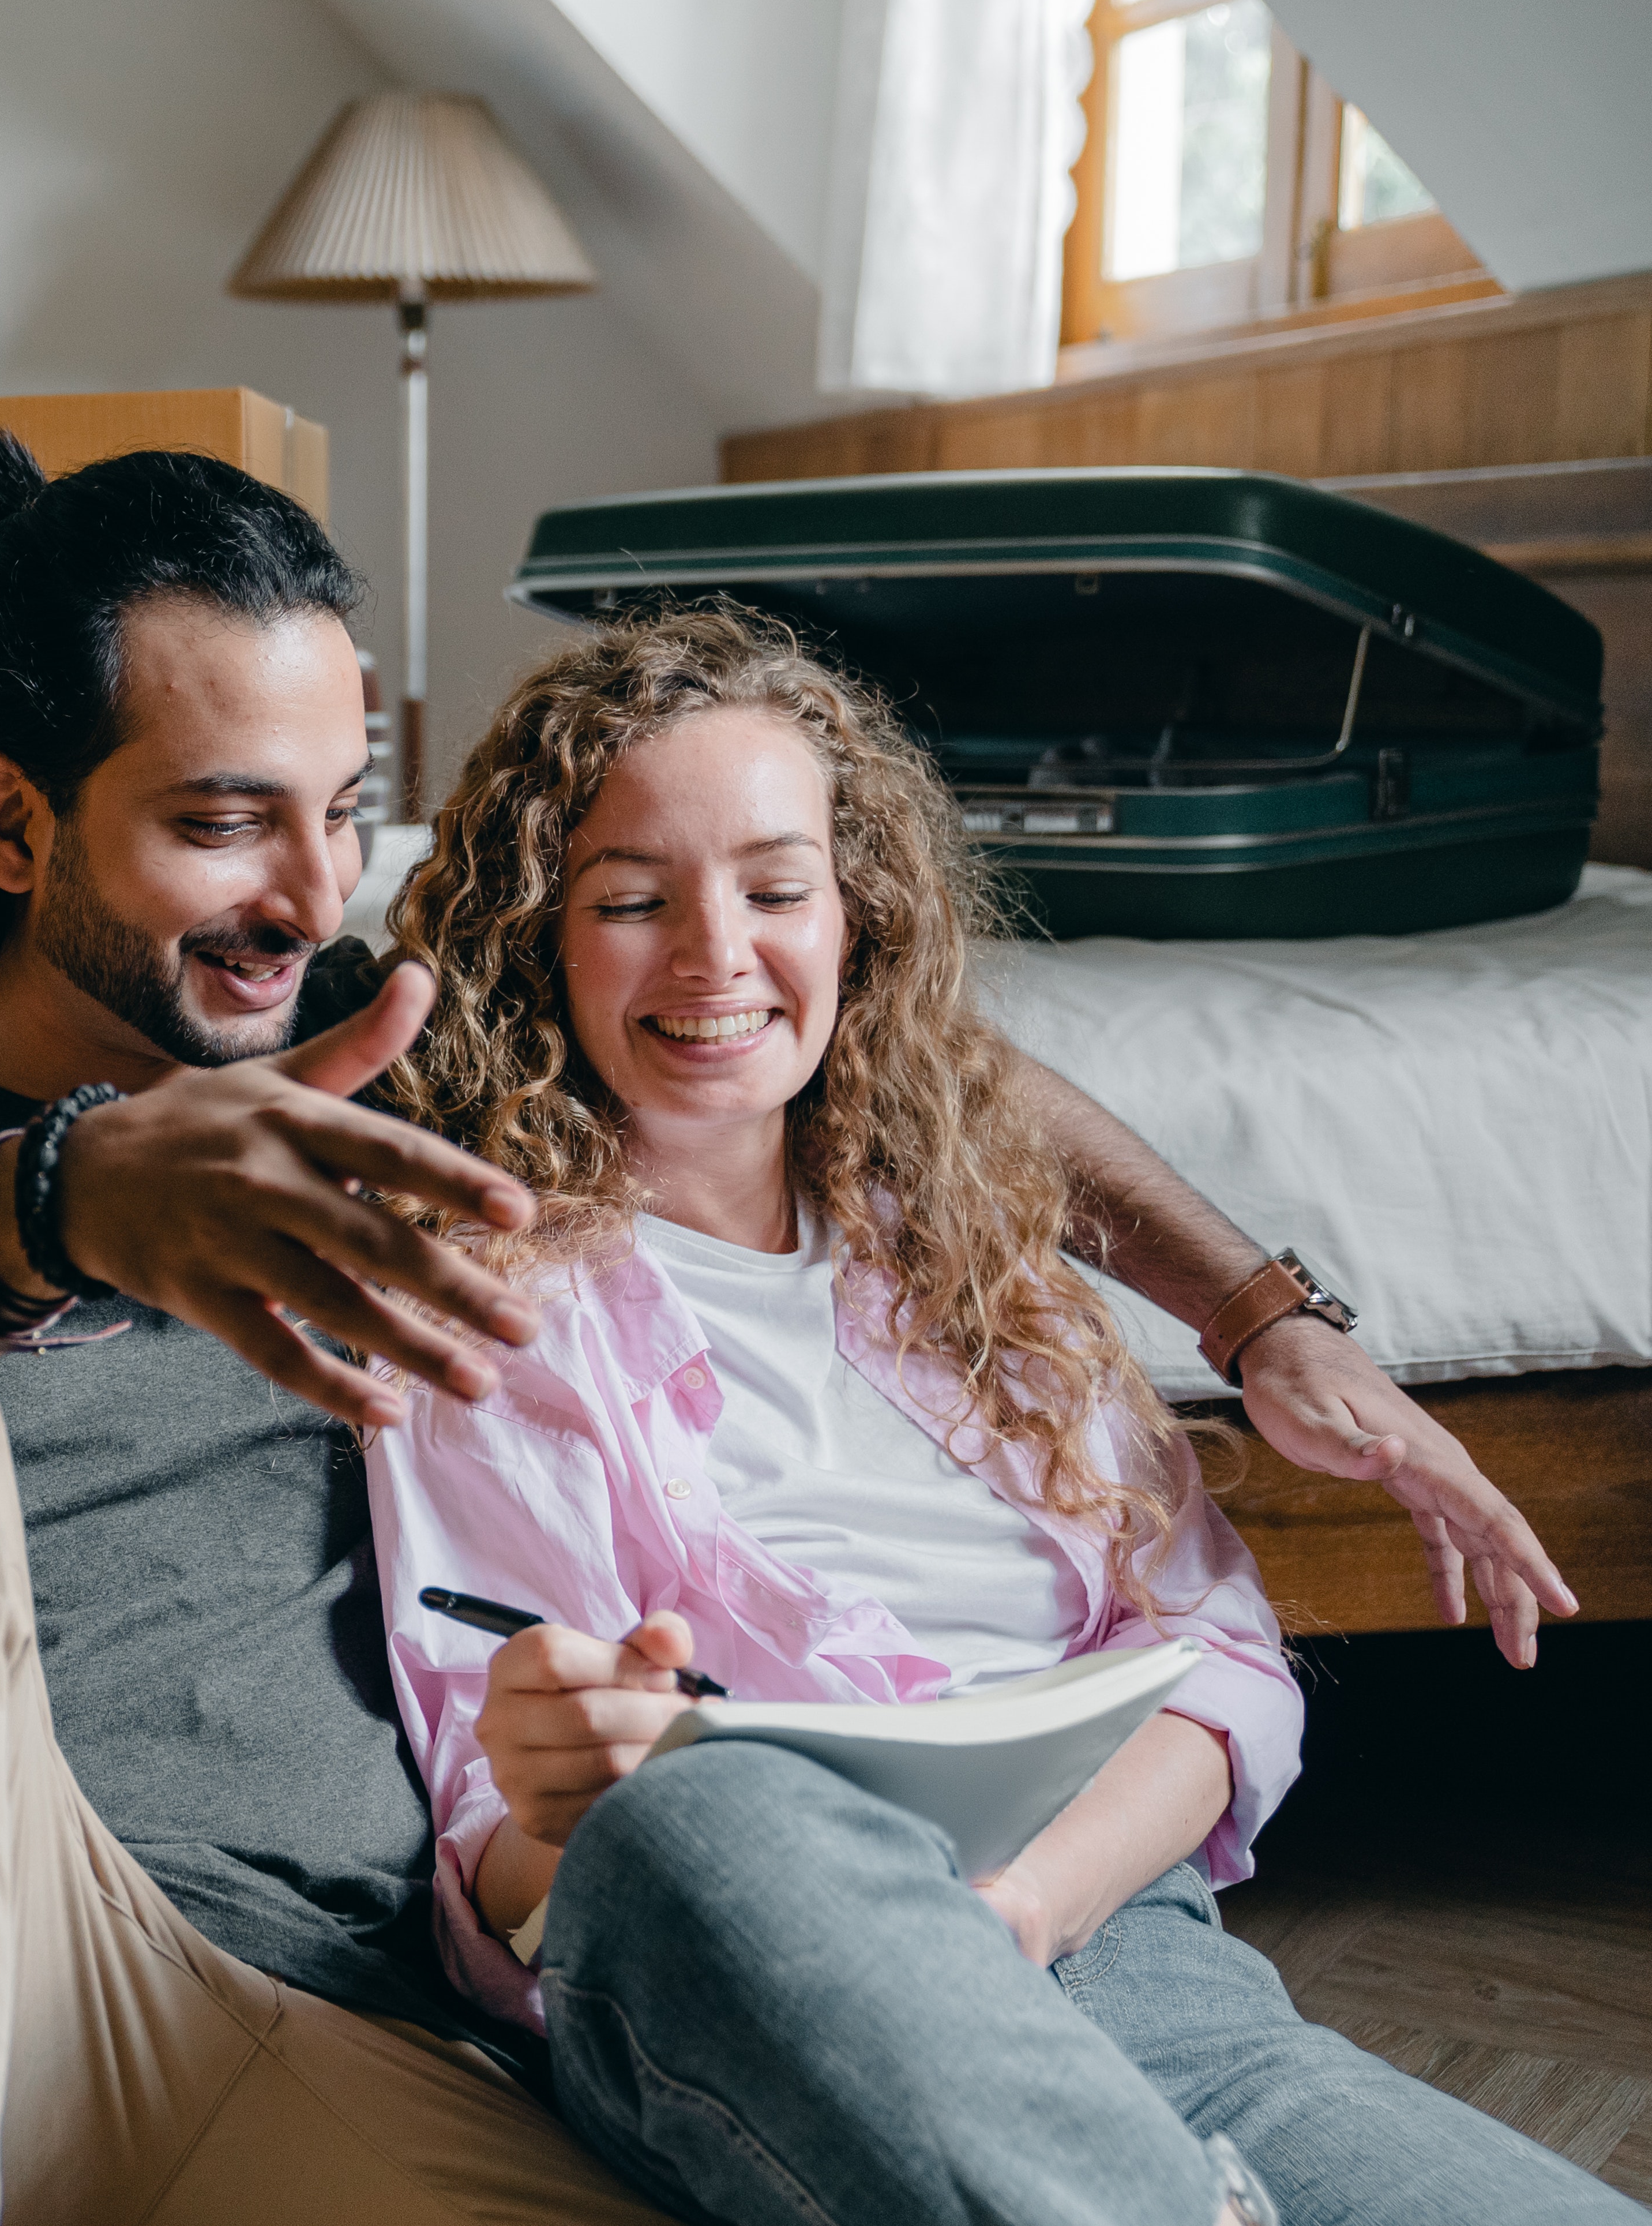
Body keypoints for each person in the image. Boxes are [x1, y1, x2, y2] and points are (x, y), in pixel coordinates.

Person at [0, 425, 1580, 2225]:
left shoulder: (367, 1042)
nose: (314, 888)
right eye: (221, 820)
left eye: (348, 808)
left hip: (383, 2028)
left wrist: (1257, 1303)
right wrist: (54, 1205)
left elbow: (873, 1050)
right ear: (12, 827)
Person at [365, 600, 1639, 2226]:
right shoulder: (488, 1305)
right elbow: (515, 1855)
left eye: (775, 887)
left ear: (857, 916)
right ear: (540, 930)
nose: (714, 956)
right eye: (630, 899)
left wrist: (1028, 1908)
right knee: (705, 1830)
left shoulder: (968, 1244)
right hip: (782, 1981)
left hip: (1134, 1956)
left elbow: (1223, 1667)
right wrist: (574, 1805)